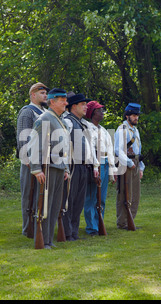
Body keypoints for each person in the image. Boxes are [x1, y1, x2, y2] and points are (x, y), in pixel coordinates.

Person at [27, 88, 70, 249]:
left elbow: (64, 147)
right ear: (52, 101)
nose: (66, 103)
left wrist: (65, 168)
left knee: (55, 205)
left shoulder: (60, 120)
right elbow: (34, 144)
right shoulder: (44, 118)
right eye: (62, 100)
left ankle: (48, 240)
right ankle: (43, 239)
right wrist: (37, 169)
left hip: (58, 167)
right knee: (45, 204)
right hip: (48, 167)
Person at [62, 93, 99, 241]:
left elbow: (89, 146)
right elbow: (63, 146)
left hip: (84, 166)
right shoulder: (68, 122)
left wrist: (93, 164)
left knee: (79, 201)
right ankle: (66, 232)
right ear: (74, 106)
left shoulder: (82, 123)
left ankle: (74, 232)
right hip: (72, 165)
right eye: (82, 104)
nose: (86, 107)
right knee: (69, 200)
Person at [16, 82, 49, 238]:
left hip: (44, 161)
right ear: (33, 95)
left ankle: (38, 226)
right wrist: (27, 159)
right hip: (30, 162)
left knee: (40, 196)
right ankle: (28, 229)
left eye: (45, 93)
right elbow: (23, 137)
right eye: (41, 93)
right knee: (29, 196)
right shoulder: (27, 112)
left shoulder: (45, 112)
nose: (45, 96)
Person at [83, 101, 116, 235]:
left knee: (101, 198)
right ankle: (92, 227)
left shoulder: (104, 130)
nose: (102, 112)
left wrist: (113, 170)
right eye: (99, 110)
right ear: (92, 113)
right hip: (95, 165)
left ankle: (99, 222)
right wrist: (95, 166)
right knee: (91, 197)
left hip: (105, 164)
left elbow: (110, 151)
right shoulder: (88, 129)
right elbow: (89, 150)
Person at [114, 103, 145, 230]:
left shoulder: (135, 130)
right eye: (133, 115)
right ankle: (122, 222)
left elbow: (139, 151)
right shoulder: (122, 129)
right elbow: (118, 150)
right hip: (125, 163)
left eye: (137, 115)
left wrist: (141, 166)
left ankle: (131, 220)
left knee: (135, 194)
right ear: (127, 116)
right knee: (124, 194)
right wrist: (129, 162)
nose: (136, 117)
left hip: (135, 163)